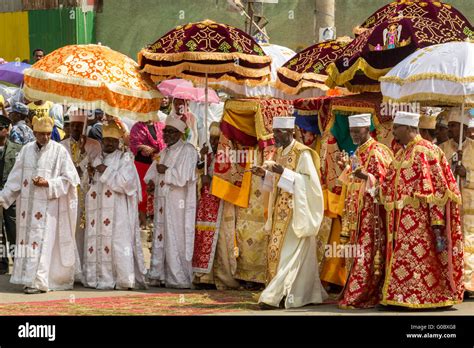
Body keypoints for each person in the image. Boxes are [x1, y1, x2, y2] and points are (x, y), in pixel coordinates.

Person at [380, 111, 464, 308]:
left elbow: (439, 190)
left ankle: (421, 296)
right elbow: (387, 186)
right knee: (401, 260)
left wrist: (437, 223)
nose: (393, 133)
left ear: (409, 128)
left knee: (418, 260)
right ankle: (399, 296)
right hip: (399, 221)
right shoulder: (401, 153)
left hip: (421, 222)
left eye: (396, 128)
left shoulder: (427, 151)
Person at [252, 116, 327, 309]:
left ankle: (274, 296)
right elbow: (277, 181)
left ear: (291, 132)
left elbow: (311, 184)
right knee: (284, 254)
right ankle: (293, 294)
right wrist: (265, 174)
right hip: (280, 212)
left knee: (290, 255)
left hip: (296, 213)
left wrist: (283, 171)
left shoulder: (303, 154)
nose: (275, 136)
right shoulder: (279, 152)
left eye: (279, 132)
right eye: (274, 131)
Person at [0, 116, 80, 294]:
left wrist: (49, 183)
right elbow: (15, 179)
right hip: (26, 210)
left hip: (48, 209)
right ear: (34, 133)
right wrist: (3, 198)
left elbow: (71, 179)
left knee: (42, 243)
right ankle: (28, 278)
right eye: (41, 134)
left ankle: (38, 281)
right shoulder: (26, 150)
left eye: (47, 134)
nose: (45, 137)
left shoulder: (59, 151)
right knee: (28, 244)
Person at [336, 114, 393, 309]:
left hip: (371, 215)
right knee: (356, 253)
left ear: (367, 129)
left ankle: (361, 294)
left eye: (357, 131)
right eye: (351, 131)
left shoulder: (377, 152)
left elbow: (385, 185)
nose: (354, 135)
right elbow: (352, 180)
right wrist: (345, 167)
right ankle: (353, 290)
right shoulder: (358, 151)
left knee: (366, 255)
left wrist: (366, 176)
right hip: (355, 213)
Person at [83, 120, 147, 290]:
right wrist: (89, 175)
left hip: (118, 211)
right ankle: (96, 277)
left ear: (119, 142)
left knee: (118, 244)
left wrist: (106, 170)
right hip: (98, 211)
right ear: (102, 141)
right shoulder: (96, 158)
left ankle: (122, 279)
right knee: (98, 242)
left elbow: (128, 185)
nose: (109, 144)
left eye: (113, 141)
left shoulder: (125, 159)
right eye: (106, 141)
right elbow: (89, 185)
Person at [145, 115, 197, 289]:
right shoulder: (164, 151)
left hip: (178, 202)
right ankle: (159, 274)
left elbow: (184, 178)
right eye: (165, 131)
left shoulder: (188, 150)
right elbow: (152, 173)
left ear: (180, 133)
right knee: (161, 235)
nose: (166, 135)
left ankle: (178, 277)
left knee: (176, 236)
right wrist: (151, 182)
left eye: (170, 132)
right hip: (162, 201)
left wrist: (167, 171)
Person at [193, 122, 240, 290]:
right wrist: (201, 162)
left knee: (220, 242)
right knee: (204, 238)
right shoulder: (210, 156)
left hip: (221, 205)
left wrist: (211, 182)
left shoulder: (229, 156)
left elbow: (232, 181)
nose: (213, 143)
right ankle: (205, 277)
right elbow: (198, 175)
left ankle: (222, 278)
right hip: (206, 206)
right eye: (211, 139)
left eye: (216, 139)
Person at [439, 107, 474, 297]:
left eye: (453, 126)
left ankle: (469, 285)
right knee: (451, 244)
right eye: (449, 126)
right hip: (451, 206)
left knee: (470, 245)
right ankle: (453, 282)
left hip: (470, 208)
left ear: (463, 127)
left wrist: (466, 174)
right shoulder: (442, 149)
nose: (449, 129)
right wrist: (453, 168)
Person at [61, 110, 102, 266]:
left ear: (84, 126)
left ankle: (88, 265)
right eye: (73, 125)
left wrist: (84, 152)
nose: (76, 129)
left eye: (79, 125)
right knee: (72, 228)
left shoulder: (94, 144)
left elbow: (96, 167)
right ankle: (72, 266)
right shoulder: (61, 146)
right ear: (68, 127)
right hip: (69, 193)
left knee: (88, 228)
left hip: (89, 193)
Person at [129, 119, 165, 229]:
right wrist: (142, 147)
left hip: (156, 163)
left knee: (154, 191)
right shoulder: (137, 127)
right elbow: (133, 144)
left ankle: (154, 221)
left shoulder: (160, 125)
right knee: (143, 193)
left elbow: (164, 143)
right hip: (141, 164)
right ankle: (143, 221)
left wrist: (155, 151)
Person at [0, 116, 23, 274]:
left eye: (3, 127)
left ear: (8, 129)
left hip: (12, 197)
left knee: (14, 230)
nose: (1, 130)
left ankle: (17, 263)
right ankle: (1, 264)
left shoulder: (19, 149)